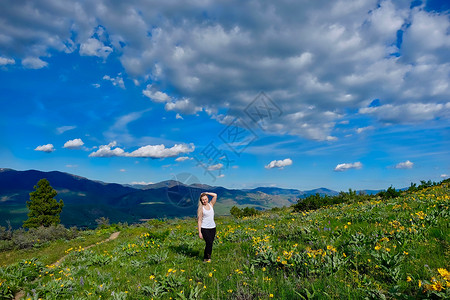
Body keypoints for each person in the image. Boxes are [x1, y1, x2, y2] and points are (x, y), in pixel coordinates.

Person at [197, 191, 217, 262]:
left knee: (210, 243)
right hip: (204, 228)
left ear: (207, 199)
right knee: (208, 243)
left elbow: (215, 195)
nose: (204, 201)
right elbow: (199, 221)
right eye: (203, 200)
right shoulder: (201, 209)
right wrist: (199, 232)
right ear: (201, 201)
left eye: (205, 199)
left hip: (213, 228)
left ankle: (208, 257)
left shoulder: (211, 204)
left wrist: (206, 193)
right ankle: (206, 258)